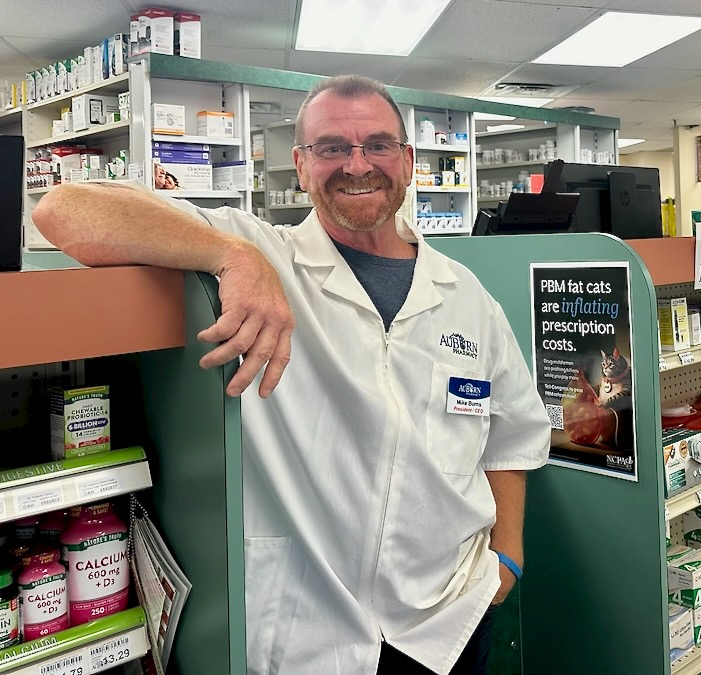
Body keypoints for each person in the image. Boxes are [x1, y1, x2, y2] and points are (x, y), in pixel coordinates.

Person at [32, 75, 551, 675]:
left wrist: (505, 557)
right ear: (301, 166)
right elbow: (65, 211)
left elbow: (510, 433)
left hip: (449, 621)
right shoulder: (263, 251)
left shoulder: (468, 297)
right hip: (309, 635)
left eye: (378, 145)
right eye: (332, 148)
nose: (358, 165)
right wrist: (232, 257)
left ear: (409, 162)